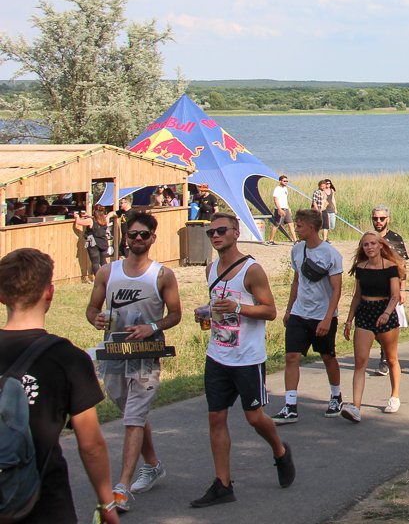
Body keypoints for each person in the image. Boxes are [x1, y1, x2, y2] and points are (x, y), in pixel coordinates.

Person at [0, 248, 121, 524]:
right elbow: (90, 444)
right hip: (45, 501)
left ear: (1, 295)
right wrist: (106, 502)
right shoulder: (69, 359)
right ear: (49, 293)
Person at [192, 212, 294, 507]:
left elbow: (269, 311)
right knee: (216, 417)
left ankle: (280, 451)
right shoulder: (210, 269)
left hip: (247, 358)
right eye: (210, 232)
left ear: (236, 233)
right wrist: (206, 311)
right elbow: (219, 306)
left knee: (254, 418)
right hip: (218, 355)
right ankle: (223, 484)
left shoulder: (252, 270)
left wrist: (237, 307)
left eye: (221, 230)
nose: (215, 236)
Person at [84, 211, 182, 512]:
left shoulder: (162, 275)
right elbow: (91, 309)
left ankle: (121, 488)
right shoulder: (107, 272)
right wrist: (97, 319)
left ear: (153, 238)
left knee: (133, 417)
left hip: (146, 356)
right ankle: (152, 465)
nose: (137, 239)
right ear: (125, 238)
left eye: (144, 235)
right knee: (132, 414)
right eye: (132, 235)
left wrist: (151, 327)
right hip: (114, 356)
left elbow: (175, 314)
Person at [273, 208, 343, 424]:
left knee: (327, 357)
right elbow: (297, 281)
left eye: (300, 225)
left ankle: (336, 396)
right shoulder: (297, 250)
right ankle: (290, 405)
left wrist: (327, 318)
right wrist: (288, 309)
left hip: (323, 315)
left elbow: (337, 290)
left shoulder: (331, 254)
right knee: (291, 357)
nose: (296, 228)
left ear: (311, 227)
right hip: (299, 313)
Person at [340, 233, 402, 421]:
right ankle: (356, 407)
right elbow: (357, 296)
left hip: (385, 312)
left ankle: (394, 396)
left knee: (391, 359)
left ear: (381, 245)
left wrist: (386, 313)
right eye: (365, 245)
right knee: (360, 362)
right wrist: (349, 320)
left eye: (373, 243)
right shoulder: (361, 268)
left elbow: (395, 295)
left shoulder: (390, 268)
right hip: (365, 313)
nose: (369, 247)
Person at [369, 205, 409, 377]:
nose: (378, 222)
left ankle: (385, 358)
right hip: (371, 289)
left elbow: (402, 266)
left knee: (388, 325)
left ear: (388, 219)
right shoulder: (369, 239)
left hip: (391, 289)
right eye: (375, 219)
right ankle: (385, 352)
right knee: (373, 327)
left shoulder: (395, 239)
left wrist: (403, 289)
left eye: (382, 219)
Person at [266, 175, 296, 244]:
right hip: (280, 208)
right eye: (284, 181)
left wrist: (289, 208)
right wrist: (279, 209)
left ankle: (295, 240)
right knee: (277, 224)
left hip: (286, 208)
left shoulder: (285, 189)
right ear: (280, 181)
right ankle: (271, 240)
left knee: (291, 224)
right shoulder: (277, 189)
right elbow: (275, 200)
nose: (286, 182)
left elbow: (285, 199)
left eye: (287, 181)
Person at [86, 203, 114, 276]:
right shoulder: (104, 219)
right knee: (103, 262)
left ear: (94, 211)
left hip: (94, 243)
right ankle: (108, 277)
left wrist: (77, 217)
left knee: (95, 263)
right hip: (103, 243)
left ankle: (98, 279)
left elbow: (79, 222)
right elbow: (97, 219)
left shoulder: (91, 220)